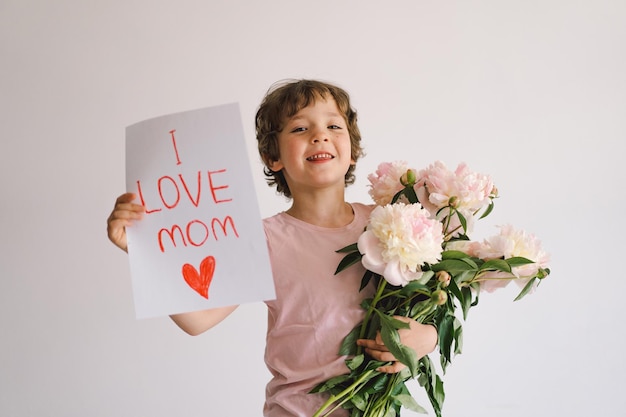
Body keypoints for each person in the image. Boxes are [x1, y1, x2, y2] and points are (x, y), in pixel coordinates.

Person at [107, 79, 438, 417]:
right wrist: (141, 251)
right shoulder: (263, 240)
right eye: (299, 128)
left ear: (352, 150)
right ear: (272, 156)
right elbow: (198, 319)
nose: (319, 135)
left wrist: (429, 338)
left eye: (333, 125)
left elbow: (435, 300)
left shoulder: (392, 224)